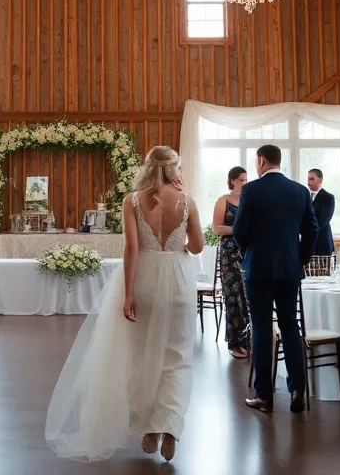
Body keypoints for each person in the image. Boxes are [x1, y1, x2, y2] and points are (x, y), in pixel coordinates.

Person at [46, 145, 202, 463]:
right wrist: (177, 242)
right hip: (178, 281)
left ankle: (149, 428)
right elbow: (198, 247)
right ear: (174, 169)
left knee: (142, 355)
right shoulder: (188, 201)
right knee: (177, 357)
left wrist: (128, 293)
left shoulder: (132, 201)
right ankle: (170, 425)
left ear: (148, 167)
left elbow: (131, 248)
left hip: (144, 279)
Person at [234, 145, 317, 414]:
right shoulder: (300, 191)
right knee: (290, 326)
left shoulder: (251, 190)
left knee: (261, 328)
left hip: (258, 268)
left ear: (261, 161)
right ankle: (297, 389)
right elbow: (312, 229)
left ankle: (265, 397)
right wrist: (300, 258)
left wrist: (248, 251)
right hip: (289, 269)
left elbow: (239, 231)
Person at [211, 166, 250, 359]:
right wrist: (238, 229)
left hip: (248, 252)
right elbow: (216, 228)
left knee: (248, 296)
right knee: (234, 296)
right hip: (229, 253)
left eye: (246, 180)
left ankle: (249, 340)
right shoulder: (223, 201)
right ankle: (235, 343)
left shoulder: (249, 200)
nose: (244, 183)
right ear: (233, 181)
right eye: (241, 180)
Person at [308, 168, 336, 257]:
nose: (308, 182)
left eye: (312, 179)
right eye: (308, 179)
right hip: (307, 244)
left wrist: (305, 231)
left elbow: (322, 221)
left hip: (322, 242)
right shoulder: (306, 197)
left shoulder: (328, 197)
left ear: (320, 180)